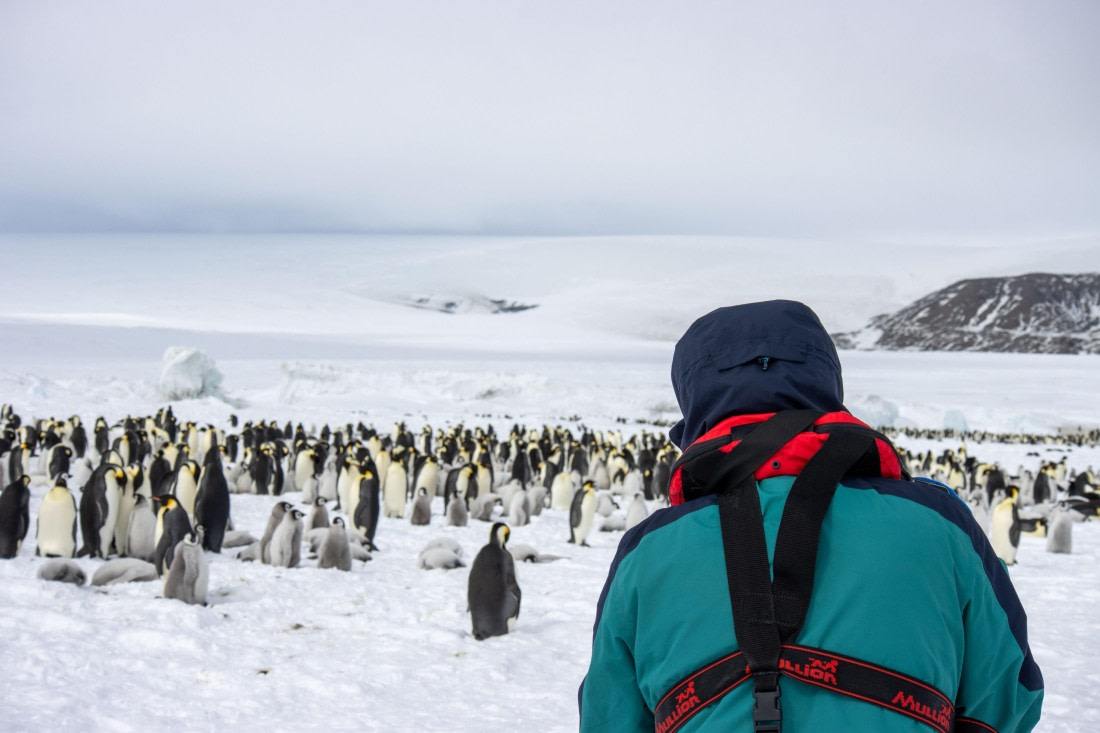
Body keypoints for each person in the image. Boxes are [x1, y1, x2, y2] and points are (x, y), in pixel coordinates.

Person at [579, 300, 1043, 733]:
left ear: (693, 400)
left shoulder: (647, 552)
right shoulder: (941, 524)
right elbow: (1011, 695)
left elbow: (609, 716)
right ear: (826, 382)